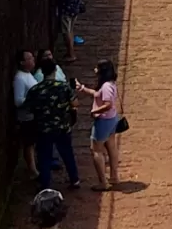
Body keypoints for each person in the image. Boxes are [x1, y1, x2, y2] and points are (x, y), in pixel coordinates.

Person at [29, 53, 80, 190]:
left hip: (43, 128)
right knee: (67, 153)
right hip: (62, 127)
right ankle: (74, 179)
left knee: (44, 157)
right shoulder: (63, 87)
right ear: (55, 70)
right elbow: (75, 103)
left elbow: (30, 108)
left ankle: (45, 184)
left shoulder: (35, 90)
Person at [77, 59, 122, 187]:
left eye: (97, 68)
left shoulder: (106, 86)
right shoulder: (110, 84)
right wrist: (83, 88)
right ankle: (114, 176)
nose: (95, 70)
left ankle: (103, 182)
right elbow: (97, 94)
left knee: (96, 150)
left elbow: (108, 105)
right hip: (112, 119)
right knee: (111, 147)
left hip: (104, 120)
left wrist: (94, 111)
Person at [13, 49, 41, 177]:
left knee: (32, 142)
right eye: (29, 58)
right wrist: (32, 98)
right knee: (28, 144)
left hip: (33, 114)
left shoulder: (28, 75)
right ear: (22, 62)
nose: (32, 60)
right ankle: (32, 170)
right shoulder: (19, 78)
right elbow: (18, 101)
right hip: (26, 116)